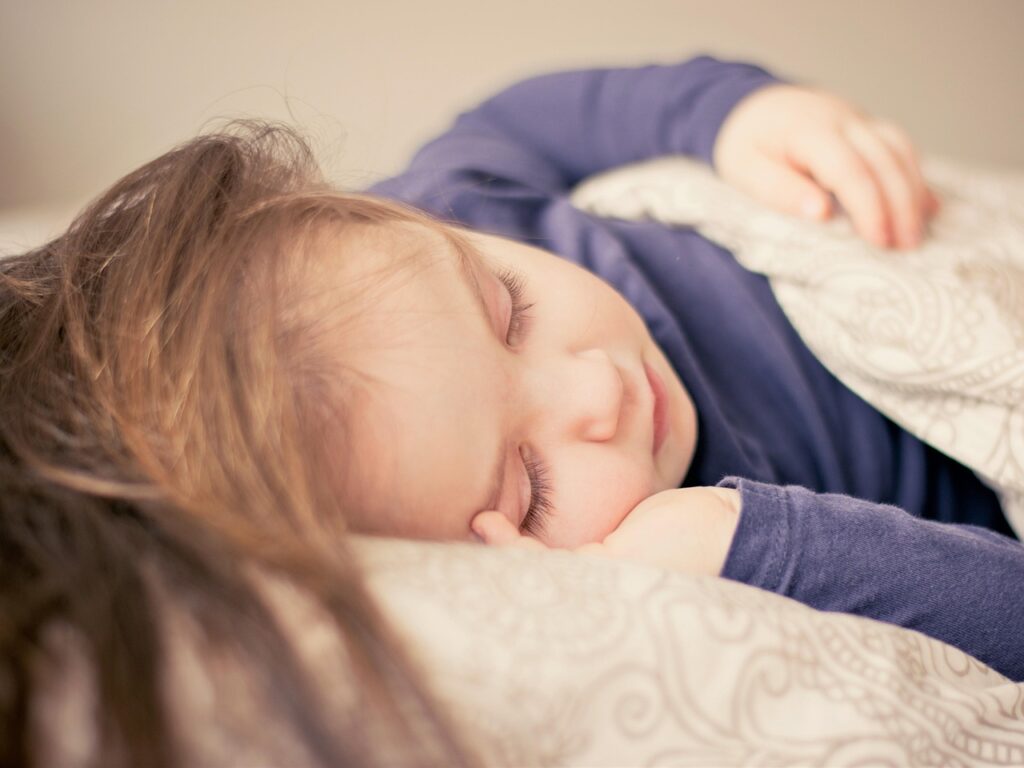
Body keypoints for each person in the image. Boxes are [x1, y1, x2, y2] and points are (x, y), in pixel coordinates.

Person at [1, 54, 1021, 766]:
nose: (596, 390)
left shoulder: (455, 207)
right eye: (528, 487)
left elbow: (533, 114)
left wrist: (729, 112)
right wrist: (751, 545)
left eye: (510, 309)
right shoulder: (693, 573)